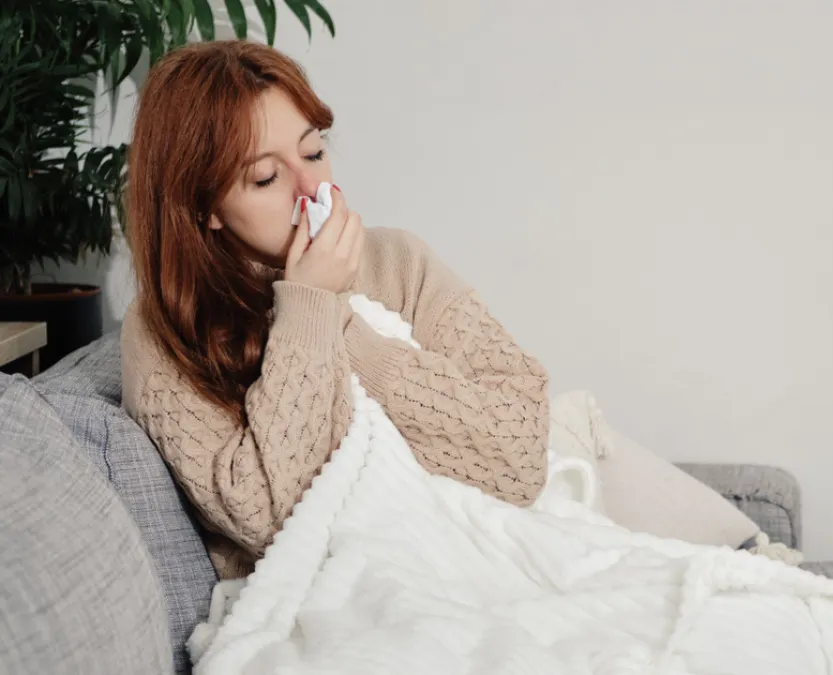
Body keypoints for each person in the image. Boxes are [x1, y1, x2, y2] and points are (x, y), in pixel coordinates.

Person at [121, 41, 549, 580]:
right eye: (266, 177)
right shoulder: (163, 329)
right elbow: (268, 518)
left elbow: (521, 460)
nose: (311, 190)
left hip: (472, 559)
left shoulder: (400, 261)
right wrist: (310, 308)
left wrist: (346, 329)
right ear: (205, 206)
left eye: (313, 152)